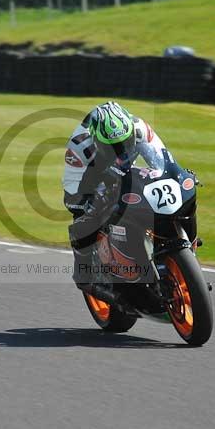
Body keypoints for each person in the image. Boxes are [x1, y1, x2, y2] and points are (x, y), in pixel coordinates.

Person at [62, 101, 166, 292]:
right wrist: (89, 202)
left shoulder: (140, 129)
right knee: (83, 221)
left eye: (124, 144)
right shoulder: (79, 148)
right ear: (97, 141)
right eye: (113, 147)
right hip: (95, 179)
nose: (121, 151)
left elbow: (164, 161)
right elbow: (71, 194)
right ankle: (84, 274)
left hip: (128, 172)